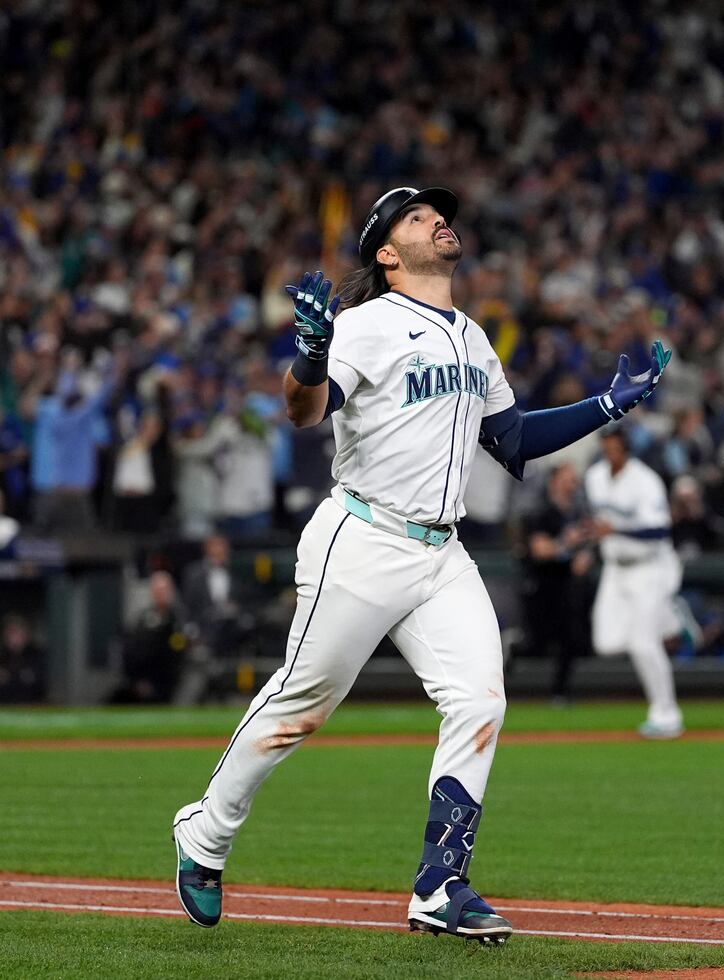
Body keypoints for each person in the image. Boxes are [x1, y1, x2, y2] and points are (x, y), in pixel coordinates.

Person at [171, 185, 671, 942]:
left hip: (442, 551)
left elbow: (511, 440)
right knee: (300, 708)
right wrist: (309, 356)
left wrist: (604, 406)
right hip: (364, 536)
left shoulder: (472, 336)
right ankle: (205, 833)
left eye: (436, 213)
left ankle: (442, 883)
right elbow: (305, 411)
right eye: (415, 217)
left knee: (480, 700)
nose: (438, 220)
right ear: (385, 251)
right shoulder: (367, 324)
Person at [584, 427, 685, 739]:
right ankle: (669, 620)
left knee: (643, 643)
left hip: (649, 568)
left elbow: (659, 532)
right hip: (615, 569)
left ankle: (666, 714)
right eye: (606, 448)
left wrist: (614, 531)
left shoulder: (646, 481)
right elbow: (597, 523)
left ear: (626, 449)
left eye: (615, 448)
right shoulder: (595, 476)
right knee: (607, 642)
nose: (609, 453)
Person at [520, 463, 594, 702]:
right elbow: (540, 550)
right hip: (542, 583)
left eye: (574, 479)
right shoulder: (541, 511)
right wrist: (566, 543)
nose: (572, 483)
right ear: (554, 481)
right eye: (567, 478)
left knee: (570, 639)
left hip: (567, 585)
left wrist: (586, 555)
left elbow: (588, 545)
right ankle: (510, 650)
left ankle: (560, 692)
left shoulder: (579, 511)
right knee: (536, 643)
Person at [109, 571, 187, 704]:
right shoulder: (142, 620)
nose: (160, 594)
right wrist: (137, 680)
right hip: (139, 683)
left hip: (168, 685)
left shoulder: (178, 621)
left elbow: (177, 658)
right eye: (157, 590)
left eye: (163, 590)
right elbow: (131, 650)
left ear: (171, 592)